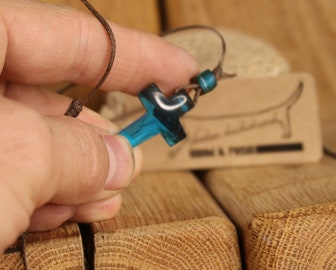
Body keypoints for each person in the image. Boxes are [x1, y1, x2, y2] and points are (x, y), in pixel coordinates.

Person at [0, 0, 199, 253]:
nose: (182, 101)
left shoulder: (167, 116)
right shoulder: (161, 105)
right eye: (182, 99)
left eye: (184, 101)